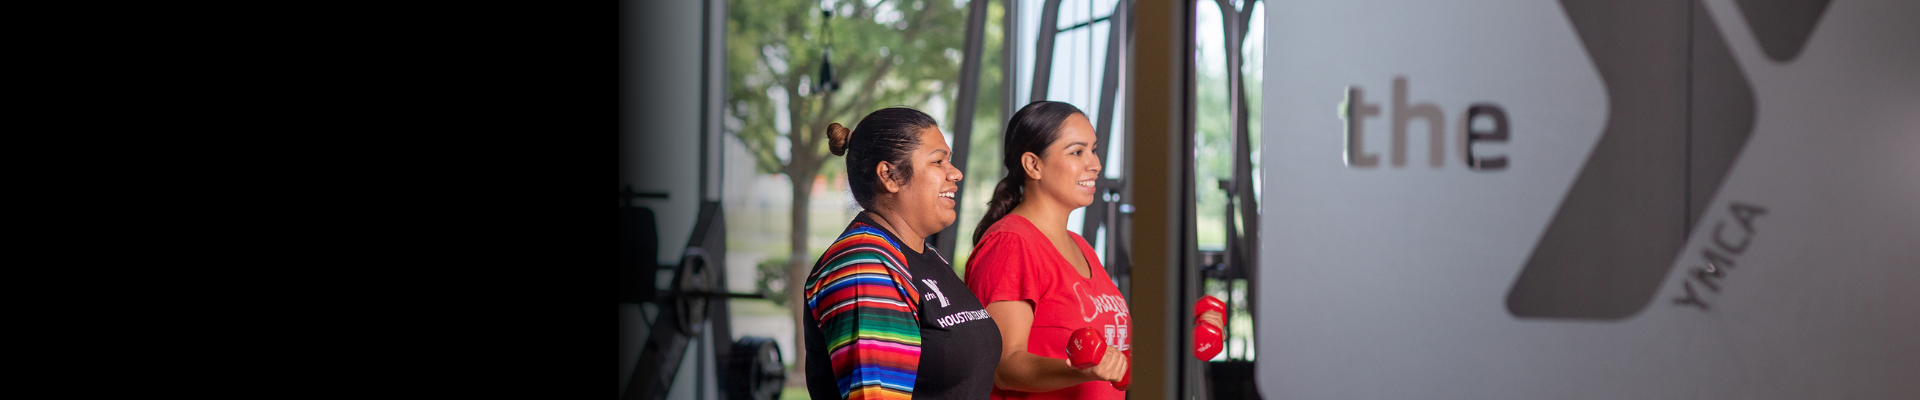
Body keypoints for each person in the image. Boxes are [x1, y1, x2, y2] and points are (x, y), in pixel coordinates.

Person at [802, 107, 1002, 400]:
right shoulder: (865, 268)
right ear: (890, 176)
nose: (955, 173)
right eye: (938, 161)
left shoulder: (923, 256)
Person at [963, 101, 1130, 400]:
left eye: (1094, 149)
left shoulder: (1081, 247)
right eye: (1077, 152)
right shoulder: (1011, 243)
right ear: (1033, 165)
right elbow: (1004, 365)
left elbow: (1113, 362)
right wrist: (1081, 370)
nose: (1095, 164)